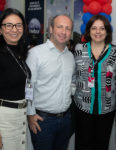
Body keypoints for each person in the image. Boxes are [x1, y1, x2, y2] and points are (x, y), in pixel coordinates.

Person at [73, 14, 116, 150]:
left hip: (106, 109)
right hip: (83, 107)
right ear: (88, 31)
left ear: (107, 31)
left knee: (101, 145)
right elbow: (73, 75)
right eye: (94, 28)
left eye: (102, 28)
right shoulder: (78, 49)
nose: (98, 32)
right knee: (82, 144)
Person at [26, 14, 75, 150]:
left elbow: (70, 84)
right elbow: (28, 85)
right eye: (59, 27)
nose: (63, 32)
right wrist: (30, 114)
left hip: (66, 119)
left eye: (68, 28)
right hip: (43, 120)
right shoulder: (35, 53)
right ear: (51, 29)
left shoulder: (70, 56)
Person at [0, 8, 30, 150]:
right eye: (8, 25)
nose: (14, 29)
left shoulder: (21, 52)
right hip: (4, 120)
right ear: (0, 29)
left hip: (21, 116)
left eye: (18, 25)